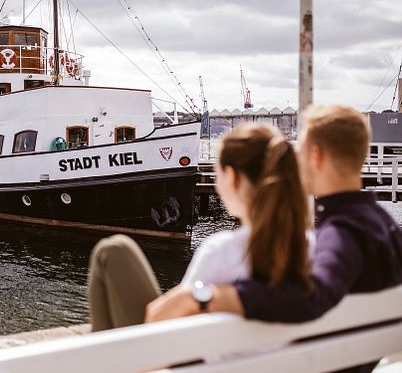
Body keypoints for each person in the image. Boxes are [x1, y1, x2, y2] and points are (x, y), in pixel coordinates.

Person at [145, 105, 402, 373]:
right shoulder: (383, 225)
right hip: (346, 357)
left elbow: (312, 298)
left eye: (299, 150)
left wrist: (206, 296)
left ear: (315, 155)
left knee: (116, 257)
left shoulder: (343, 233)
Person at [87, 123, 313, 331]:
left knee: (114, 251)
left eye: (218, 173)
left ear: (232, 178)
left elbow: (166, 322)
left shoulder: (221, 252)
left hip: (184, 361)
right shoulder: (314, 248)